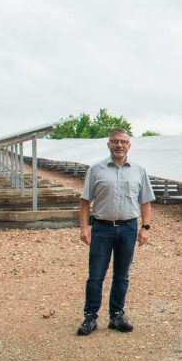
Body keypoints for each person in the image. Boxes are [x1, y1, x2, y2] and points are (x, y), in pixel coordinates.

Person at [77, 128, 154, 336]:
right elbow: (85, 202)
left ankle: (117, 315)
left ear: (129, 145)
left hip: (128, 227)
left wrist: (145, 227)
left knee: (122, 275)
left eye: (123, 142)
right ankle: (90, 317)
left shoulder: (139, 170)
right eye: (115, 141)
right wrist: (84, 227)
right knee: (96, 275)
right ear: (108, 144)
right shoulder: (96, 170)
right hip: (102, 228)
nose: (119, 145)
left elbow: (145, 201)